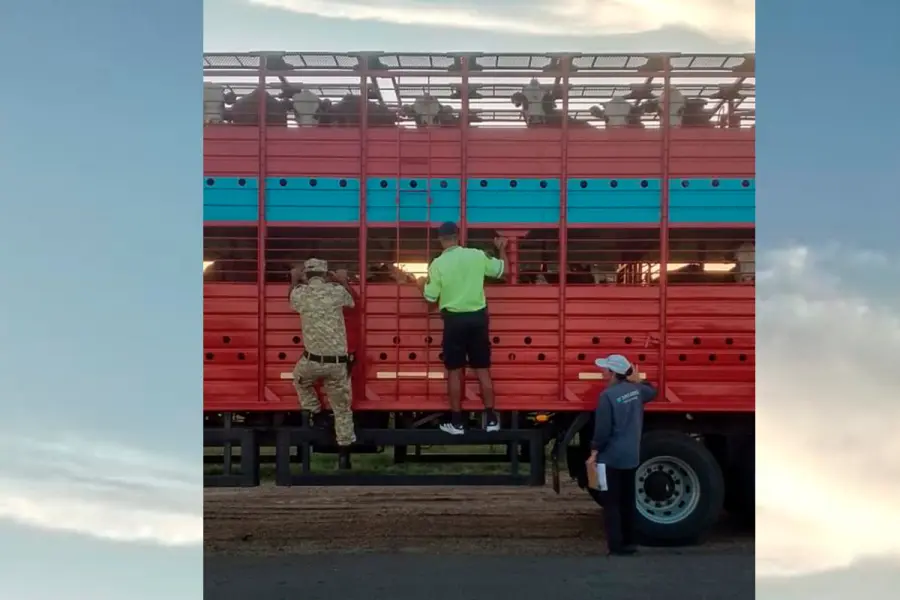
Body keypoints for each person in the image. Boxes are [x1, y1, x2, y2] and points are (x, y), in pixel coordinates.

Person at [419, 221, 508, 435]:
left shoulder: (438, 264)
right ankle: (492, 419)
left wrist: (419, 283)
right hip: (478, 318)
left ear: (440, 240)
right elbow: (502, 270)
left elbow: (430, 297)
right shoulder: (476, 255)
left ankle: (457, 423)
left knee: (454, 372)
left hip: (454, 321)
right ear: (458, 236)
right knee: (482, 369)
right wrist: (502, 249)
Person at [289, 258, 357, 469]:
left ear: (307, 275)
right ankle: (344, 457)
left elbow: (290, 298)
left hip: (312, 361)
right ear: (327, 274)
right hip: (338, 364)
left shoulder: (300, 294)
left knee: (300, 380)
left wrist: (294, 279)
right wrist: (343, 280)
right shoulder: (336, 292)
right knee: (343, 409)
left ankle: (317, 414)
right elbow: (353, 301)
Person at [587, 354, 657, 556]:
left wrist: (594, 451)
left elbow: (603, 430)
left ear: (612, 373)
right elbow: (653, 391)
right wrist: (638, 378)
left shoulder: (607, 396)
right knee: (628, 500)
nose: (602, 371)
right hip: (631, 457)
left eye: (605, 368)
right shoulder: (637, 391)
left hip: (610, 458)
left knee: (611, 503)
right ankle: (630, 542)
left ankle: (616, 546)